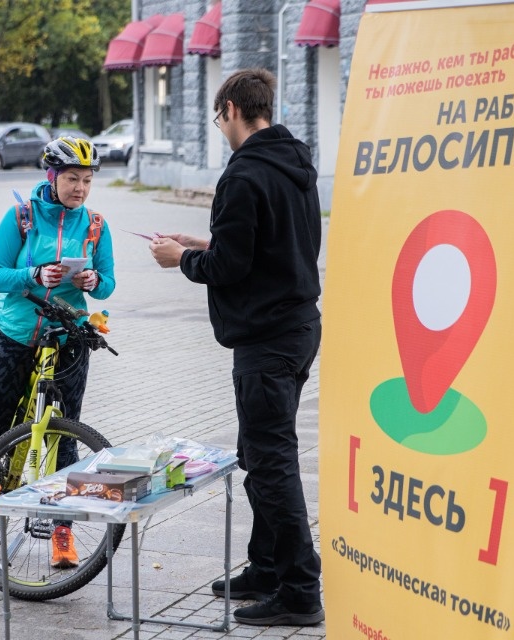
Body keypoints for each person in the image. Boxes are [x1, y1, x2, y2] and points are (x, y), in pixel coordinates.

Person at [149, 68, 325, 628]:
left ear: (230, 109)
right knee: (262, 455)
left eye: (217, 116)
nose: (219, 126)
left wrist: (183, 259)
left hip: (267, 340)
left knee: (271, 465)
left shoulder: (243, 174)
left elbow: (230, 266)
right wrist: (207, 242)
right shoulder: (294, 162)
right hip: (299, 327)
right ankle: (267, 567)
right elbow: (267, 244)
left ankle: (299, 590)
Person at [0, 136, 115, 569]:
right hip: (13, 333)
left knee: (63, 436)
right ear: (52, 176)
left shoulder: (95, 225)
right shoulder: (21, 217)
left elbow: (108, 283)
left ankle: (63, 530)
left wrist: (92, 282)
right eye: (72, 179)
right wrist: (33, 274)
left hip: (67, 338)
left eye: (87, 180)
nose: (80, 188)